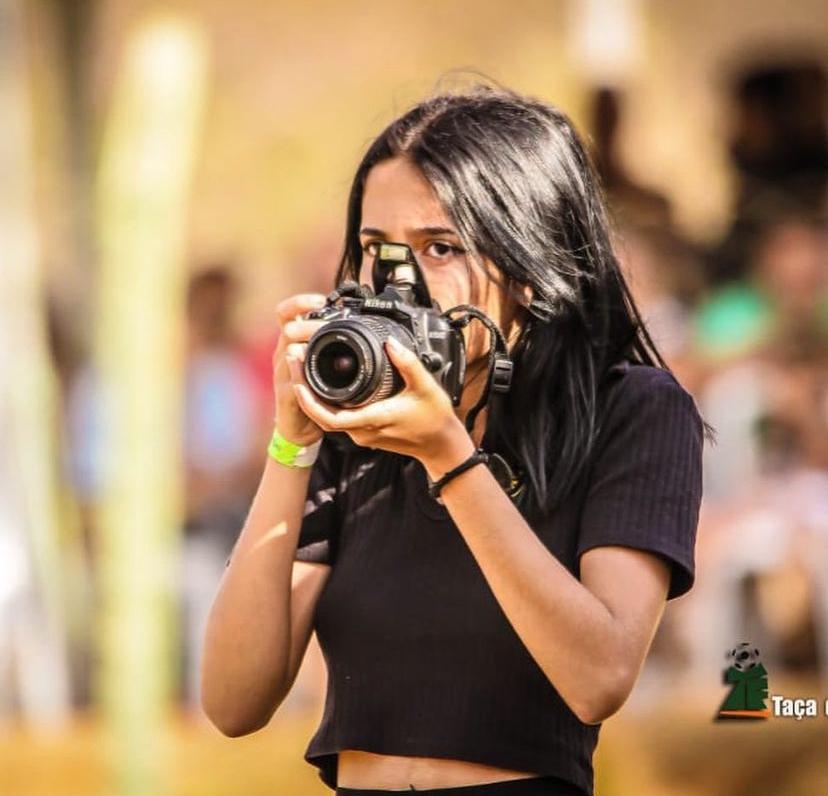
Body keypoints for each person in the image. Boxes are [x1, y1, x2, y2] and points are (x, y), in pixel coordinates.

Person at [201, 86, 710, 796]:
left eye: (439, 247)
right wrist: (294, 442)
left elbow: (599, 678)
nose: (399, 282)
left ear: (528, 264)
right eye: (376, 250)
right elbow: (233, 701)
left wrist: (449, 457)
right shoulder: (358, 421)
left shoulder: (632, 411)